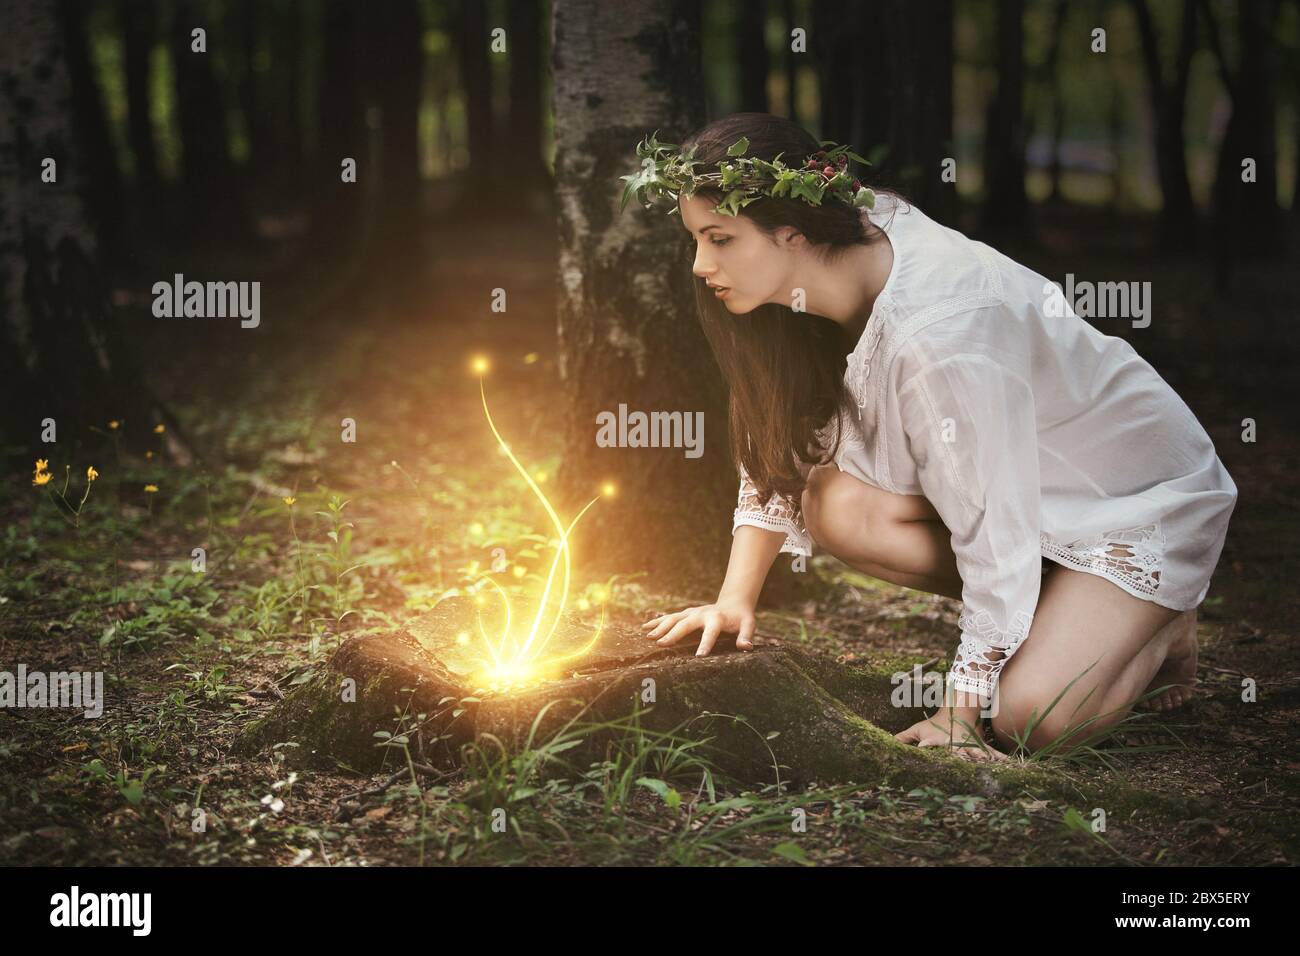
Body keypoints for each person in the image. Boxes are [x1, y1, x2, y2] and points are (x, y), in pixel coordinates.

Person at [624, 113, 1237, 762]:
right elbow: (786, 443)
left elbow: (990, 525)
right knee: (836, 508)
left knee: (1033, 721)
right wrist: (732, 601)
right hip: (1041, 492)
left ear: (791, 234)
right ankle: (1077, 616)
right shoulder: (831, 257)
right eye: (696, 238)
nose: (700, 264)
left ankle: (1162, 619)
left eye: (719, 239)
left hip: (1137, 500)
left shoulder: (941, 332)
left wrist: (959, 712)